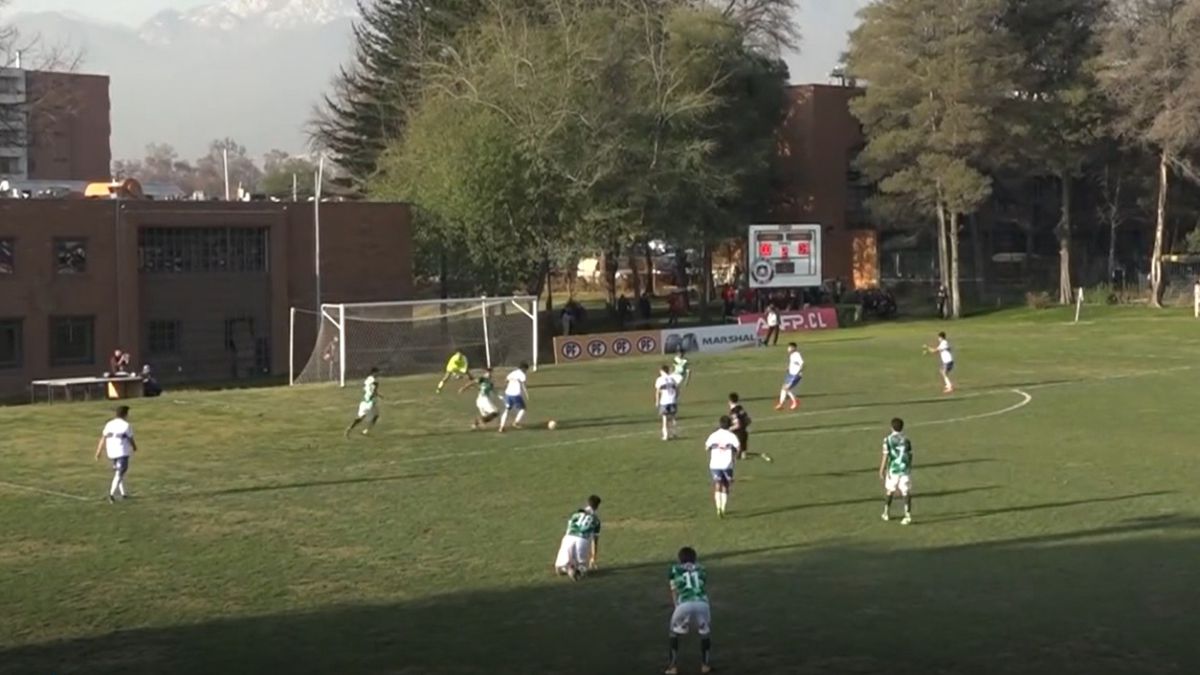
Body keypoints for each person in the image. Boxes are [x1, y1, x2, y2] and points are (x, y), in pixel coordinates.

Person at [664, 546, 713, 675]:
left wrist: (677, 607)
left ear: (680, 559)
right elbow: (701, 584)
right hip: (702, 603)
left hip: (684, 604)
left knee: (674, 633)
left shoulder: (674, 569)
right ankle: (705, 665)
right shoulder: (702, 569)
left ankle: (673, 667)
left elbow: (674, 590)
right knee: (705, 633)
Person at [94, 405, 137, 503]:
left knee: (118, 472)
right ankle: (111, 494)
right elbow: (131, 439)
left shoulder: (109, 424)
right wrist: (134, 447)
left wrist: (98, 452)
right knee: (120, 472)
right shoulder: (126, 425)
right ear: (125, 414)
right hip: (122, 451)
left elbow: (103, 438)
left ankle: (123, 493)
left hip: (111, 451)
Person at [554, 495, 602, 580]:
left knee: (559, 567)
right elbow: (595, 541)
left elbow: (569, 528)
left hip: (569, 537)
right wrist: (593, 558)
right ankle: (575, 569)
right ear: (597, 506)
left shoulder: (576, 514)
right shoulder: (596, 520)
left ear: (587, 503)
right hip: (582, 539)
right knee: (582, 567)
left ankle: (567, 567)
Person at [878, 417, 914, 525]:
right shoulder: (907, 439)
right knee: (906, 492)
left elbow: (886, 455)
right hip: (905, 469)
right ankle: (907, 515)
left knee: (890, 490)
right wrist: (909, 467)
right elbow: (910, 455)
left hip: (893, 469)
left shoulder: (888, 439)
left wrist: (881, 469)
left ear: (891, 427)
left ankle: (886, 513)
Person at [705, 416, 739, 518]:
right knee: (726, 486)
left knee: (717, 484)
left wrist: (714, 447)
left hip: (715, 464)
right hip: (727, 464)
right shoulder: (731, 436)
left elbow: (706, 447)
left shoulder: (713, 435)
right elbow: (738, 447)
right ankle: (723, 508)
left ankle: (718, 507)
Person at [729, 393, 771, 462]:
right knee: (743, 454)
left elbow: (737, 425)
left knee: (735, 454)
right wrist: (744, 427)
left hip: (737, 434)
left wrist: (729, 429)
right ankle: (748, 455)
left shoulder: (733, 411)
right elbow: (748, 420)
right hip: (744, 433)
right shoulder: (740, 408)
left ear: (730, 401)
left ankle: (740, 454)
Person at [498, 362, 530, 432]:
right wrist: (526, 394)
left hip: (508, 394)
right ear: (524, 368)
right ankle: (516, 422)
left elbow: (506, 380)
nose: (526, 371)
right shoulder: (522, 375)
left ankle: (501, 427)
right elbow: (523, 385)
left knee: (507, 410)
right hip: (515, 394)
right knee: (523, 409)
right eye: (526, 370)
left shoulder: (513, 373)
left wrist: (504, 389)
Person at [655, 364, 681, 441]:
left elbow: (657, 391)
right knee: (673, 418)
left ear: (662, 371)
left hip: (664, 401)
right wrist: (675, 397)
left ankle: (665, 435)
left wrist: (657, 401)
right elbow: (677, 390)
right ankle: (674, 433)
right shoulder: (672, 379)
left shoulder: (659, 379)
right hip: (672, 400)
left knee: (665, 418)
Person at [775, 342, 804, 411]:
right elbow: (794, 364)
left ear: (793, 348)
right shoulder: (791, 355)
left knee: (786, 388)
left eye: (789, 347)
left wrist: (799, 372)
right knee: (783, 388)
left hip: (796, 375)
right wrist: (788, 368)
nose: (788, 349)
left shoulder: (797, 354)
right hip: (790, 375)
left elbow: (802, 363)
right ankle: (781, 404)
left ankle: (795, 401)